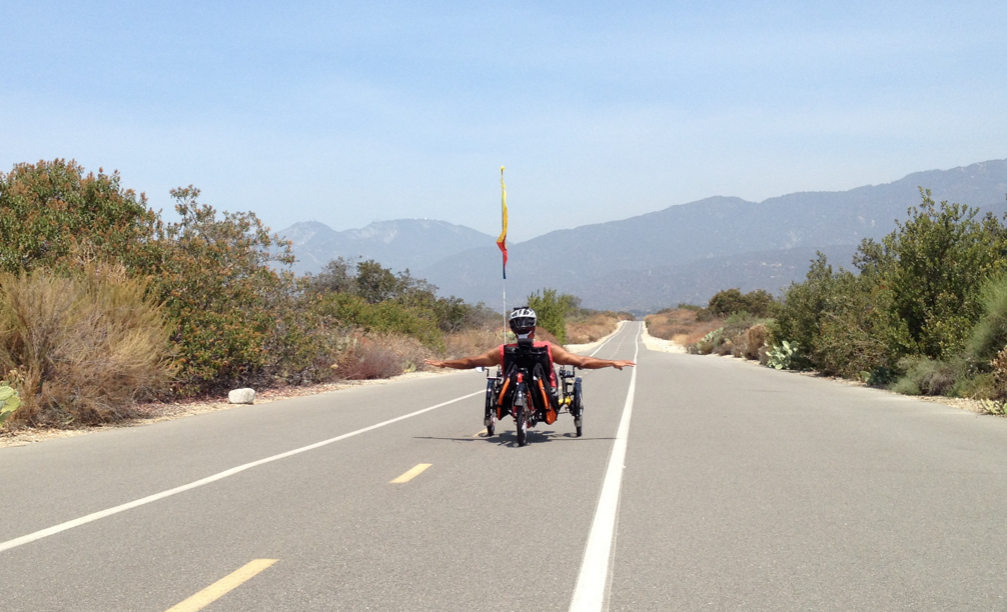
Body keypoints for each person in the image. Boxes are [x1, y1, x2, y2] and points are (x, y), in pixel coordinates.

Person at [424, 306, 636, 373]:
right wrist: (611, 362)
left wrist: (444, 363)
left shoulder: (502, 350)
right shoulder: (548, 348)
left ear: (512, 330)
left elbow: (471, 362)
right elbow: (582, 362)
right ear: (534, 328)